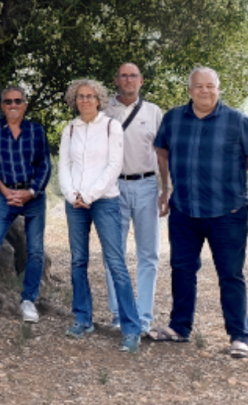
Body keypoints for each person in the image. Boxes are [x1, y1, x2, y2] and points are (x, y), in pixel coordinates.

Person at [149, 67, 248, 359]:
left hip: (228, 210)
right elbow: (162, 151)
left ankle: (239, 336)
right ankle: (179, 327)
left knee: (230, 274)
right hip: (184, 208)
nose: (204, 91)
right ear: (190, 90)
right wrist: (166, 188)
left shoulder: (238, 120)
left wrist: (228, 173)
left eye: (210, 86)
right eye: (198, 86)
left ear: (218, 88)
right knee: (182, 269)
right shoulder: (174, 118)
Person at [59, 79, 142, 353]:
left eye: (90, 96)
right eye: (80, 96)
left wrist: (89, 195)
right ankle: (83, 319)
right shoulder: (70, 129)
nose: (85, 100)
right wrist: (72, 195)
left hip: (104, 201)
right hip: (75, 203)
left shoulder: (110, 127)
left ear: (99, 100)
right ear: (75, 100)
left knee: (116, 263)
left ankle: (131, 329)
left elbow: (113, 166)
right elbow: (64, 166)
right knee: (78, 261)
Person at [0, 86, 52, 324]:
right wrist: (3, 189)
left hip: (33, 197)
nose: (13, 105)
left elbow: (45, 165)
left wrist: (30, 192)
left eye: (18, 101)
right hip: (5, 195)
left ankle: (28, 300)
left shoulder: (36, 131)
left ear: (24, 105)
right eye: (8, 101)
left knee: (35, 250)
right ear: (2, 106)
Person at [102, 62, 164, 334]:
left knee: (148, 254)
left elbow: (162, 152)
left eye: (133, 76)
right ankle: (119, 314)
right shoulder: (104, 111)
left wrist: (167, 189)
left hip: (147, 185)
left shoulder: (153, 112)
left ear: (141, 80)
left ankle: (144, 317)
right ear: (116, 80)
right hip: (113, 187)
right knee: (113, 252)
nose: (128, 80)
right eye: (124, 76)